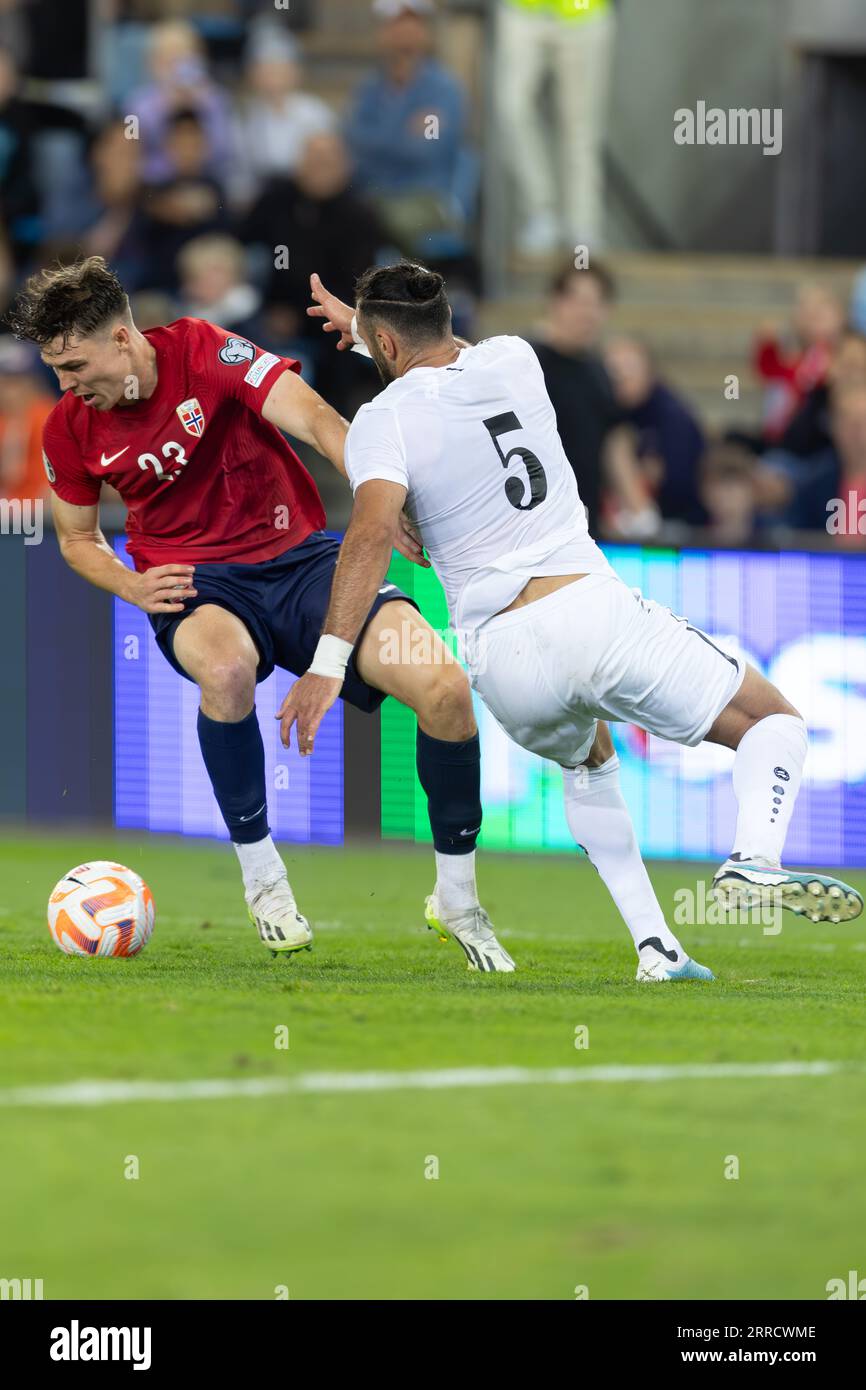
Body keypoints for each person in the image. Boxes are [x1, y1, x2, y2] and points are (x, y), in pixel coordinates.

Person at [282, 263, 863, 982]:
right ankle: (754, 861)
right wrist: (375, 334)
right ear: (447, 320)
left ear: (385, 347)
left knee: (588, 758)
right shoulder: (515, 359)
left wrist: (327, 663)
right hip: (589, 614)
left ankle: (658, 948)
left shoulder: (380, 422)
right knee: (776, 726)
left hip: (502, 662)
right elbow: (437, 368)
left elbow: (371, 533)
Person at [9, 256, 514, 973]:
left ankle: (459, 899)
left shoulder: (205, 351)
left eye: (72, 364)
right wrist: (131, 586)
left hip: (302, 560)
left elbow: (315, 419)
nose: (64, 385)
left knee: (446, 691)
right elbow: (76, 538)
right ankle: (263, 878)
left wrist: (384, 496)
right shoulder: (70, 428)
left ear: (122, 339)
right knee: (226, 670)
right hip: (197, 582)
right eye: (54, 368)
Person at [530, 261, 657, 538]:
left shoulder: (599, 373)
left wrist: (642, 512)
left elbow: (615, 444)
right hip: (529, 521)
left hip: (582, 526)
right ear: (556, 301)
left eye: (596, 303)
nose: (586, 313)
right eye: (579, 301)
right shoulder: (524, 361)